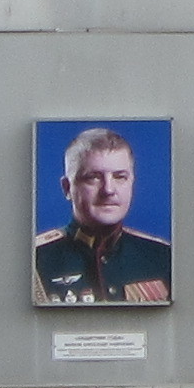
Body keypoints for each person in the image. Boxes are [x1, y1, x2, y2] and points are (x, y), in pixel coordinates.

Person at [33, 125, 170, 305]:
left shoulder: (162, 256)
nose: (108, 190)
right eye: (93, 177)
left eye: (120, 177)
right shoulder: (35, 259)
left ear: (131, 183)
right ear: (67, 188)